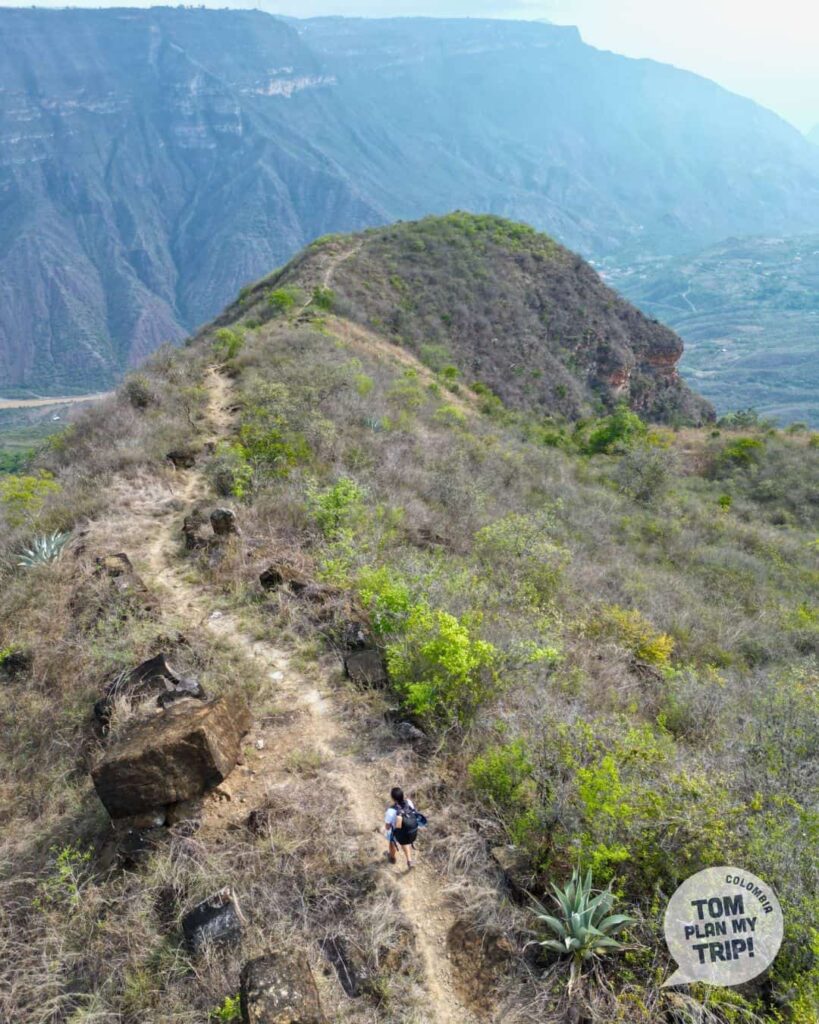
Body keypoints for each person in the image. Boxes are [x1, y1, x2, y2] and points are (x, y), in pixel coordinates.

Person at [384, 786, 419, 870]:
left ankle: (392, 858)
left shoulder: (391, 811)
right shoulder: (409, 802)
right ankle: (409, 861)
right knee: (405, 842)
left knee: (391, 842)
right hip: (408, 830)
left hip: (397, 832)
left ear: (392, 798)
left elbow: (388, 827)